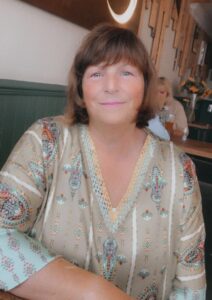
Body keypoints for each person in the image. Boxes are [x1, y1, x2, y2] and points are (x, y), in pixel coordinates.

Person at [0, 24, 206, 299]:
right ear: (81, 87)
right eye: (96, 73)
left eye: (126, 72)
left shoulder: (181, 170)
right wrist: (94, 291)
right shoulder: (46, 141)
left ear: (146, 85)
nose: (110, 86)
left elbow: (190, 288)